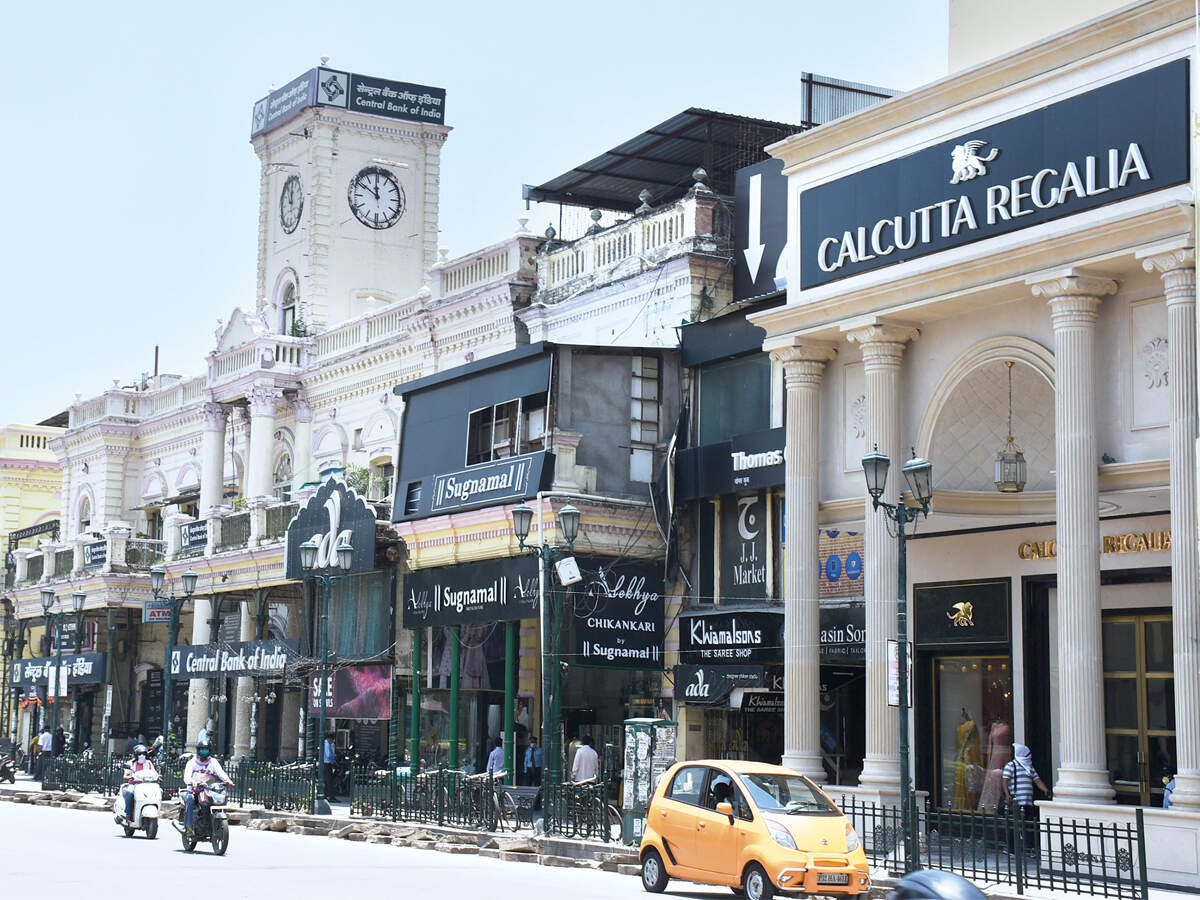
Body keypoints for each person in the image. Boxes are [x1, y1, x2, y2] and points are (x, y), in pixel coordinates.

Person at [1002, 742, 1050, 853]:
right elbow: (1005, 781)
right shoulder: (1011, 765)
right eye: (1027, 754)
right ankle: (1011, 848)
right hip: (1017, 802)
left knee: (1028, 824)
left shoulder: (1029, 767)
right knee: (1014, 825)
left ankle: (1029, 847)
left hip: (1027, 801)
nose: (1030, 756)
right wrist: (1007, 795)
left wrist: (1045, 790)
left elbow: (1037, 780)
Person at [182, 739, 233, 838]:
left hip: (209, 790)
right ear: (198, 750)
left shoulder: (213, 762)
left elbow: (220, 773)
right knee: (190, 799)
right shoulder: (191, 762)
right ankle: (189, 827)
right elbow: (186, 777)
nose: (204, 752)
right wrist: (192, 781)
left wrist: (228, 780)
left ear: (210, 750)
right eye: (202, 749)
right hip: (194, 790)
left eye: (206, 749)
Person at [121, 743, 157, 823]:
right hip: (134, 784)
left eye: (143, 754)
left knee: (159, 791)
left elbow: (154, 772)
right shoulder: (131, 763)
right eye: (139, 754)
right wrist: (130, 777)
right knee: (129, 793)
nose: (142, 756)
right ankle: (128, 815)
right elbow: (125, 776)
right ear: (136, 755)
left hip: (146, 785)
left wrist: (158, 776)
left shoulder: (148, 763)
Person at [323, 732, 337, 799]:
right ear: (329, 738)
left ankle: (326, 795)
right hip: (327, 764)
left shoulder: (326, 743)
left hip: (327, 763)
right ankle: (330, 795)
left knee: (327, 780)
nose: (333, 741)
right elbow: (328, 755)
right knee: (329, 781)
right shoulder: (327, 744)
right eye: (332, 739)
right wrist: (334, 755)